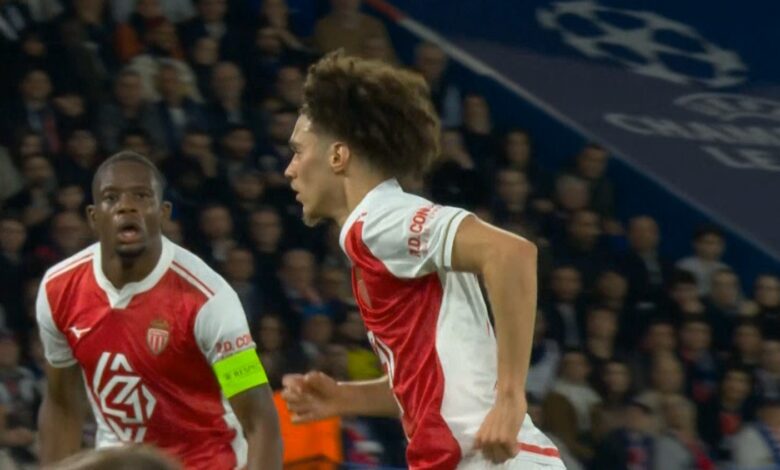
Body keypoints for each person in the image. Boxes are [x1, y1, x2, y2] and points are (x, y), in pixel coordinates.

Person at [280, 53, 563, 469]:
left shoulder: (381, 220)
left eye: (298, 151)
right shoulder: (377, 236)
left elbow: (512, 253)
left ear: (338, 157)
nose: (289, 169)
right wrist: (345, 397)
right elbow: (432, 379)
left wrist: (509, 399)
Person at [36, 151, 282, 469]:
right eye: (111, 198)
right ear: (93, 217)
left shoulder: (209, 299)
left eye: (142, 196)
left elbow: (260, 420)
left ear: (163, 213)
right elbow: (62, 404)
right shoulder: (58, 289)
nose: (126, 206)